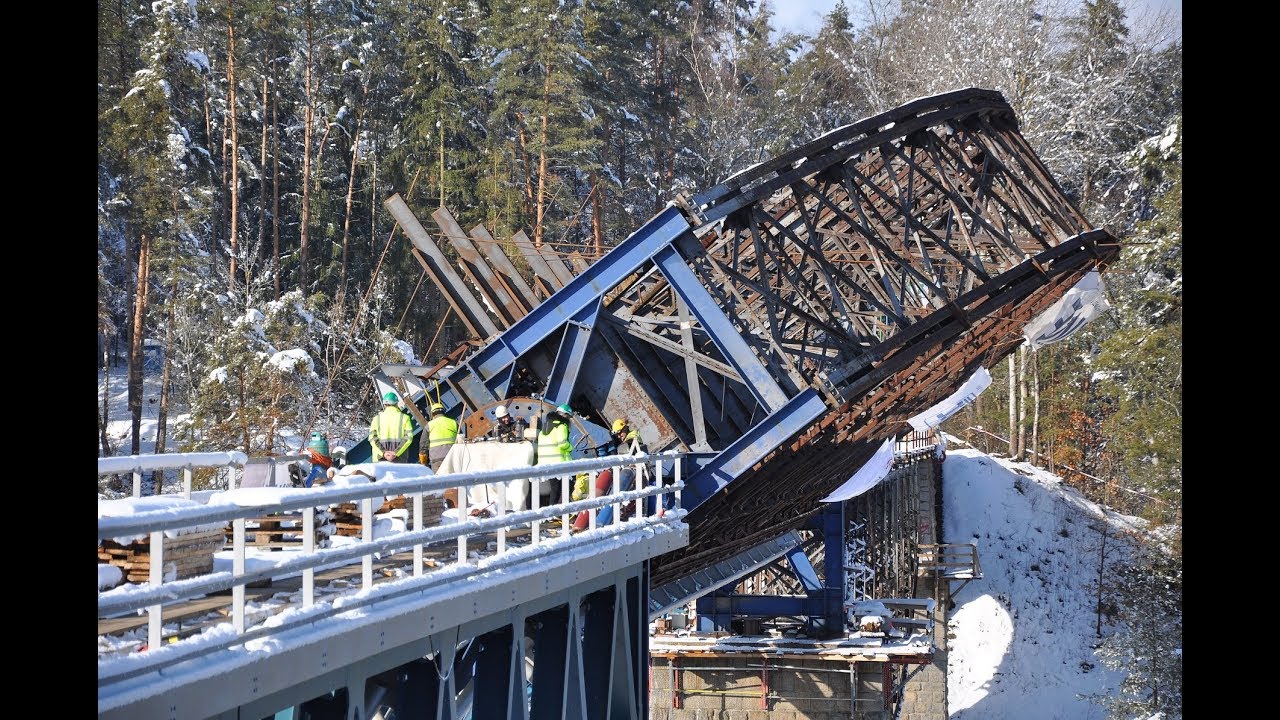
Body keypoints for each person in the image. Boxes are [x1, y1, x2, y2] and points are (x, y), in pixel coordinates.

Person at [535, 403, 574, 505]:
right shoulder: (562, 426)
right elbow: (562, 443)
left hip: (545, 463)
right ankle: (559, 511)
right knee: (566, 487)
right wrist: (570, 447)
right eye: (569, 417)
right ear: (565, 416)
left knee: (555, 489)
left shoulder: (544, 428)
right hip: (559, 463)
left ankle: (553, 511)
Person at [369, 391, 414, 462]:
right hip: (399, 459)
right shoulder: (405, 418)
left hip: (380, 459)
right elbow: (409, 438)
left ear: (384, 404)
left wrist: (384, 453)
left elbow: (372, 438)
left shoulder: (376, 419)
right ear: (396, 403)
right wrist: (395, 453)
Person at [425, 402, 459, 472]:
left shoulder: (429, 425)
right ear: (443, 412)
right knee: (456, 477)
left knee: (440, 480)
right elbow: (461, 439)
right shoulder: (453, 422)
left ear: (432, 414)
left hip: (436, 458)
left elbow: (423, 445)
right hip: (452, 455)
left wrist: (424, 462)